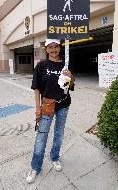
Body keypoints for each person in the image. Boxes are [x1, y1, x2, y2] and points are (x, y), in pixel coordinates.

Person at [26, 39, 74, 184]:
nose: (53, 49)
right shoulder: (41, 65)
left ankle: (54, 157)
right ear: (46, 49)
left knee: (59, 134)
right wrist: (37, 107)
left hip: (63, 105)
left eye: (56, 47)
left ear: (60, 48)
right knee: (41, 136)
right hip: (46, 105)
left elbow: (69, 87)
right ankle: (35, 167)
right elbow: (36, 88)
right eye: (50, 47)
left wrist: (70, 77)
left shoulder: (65, 65)